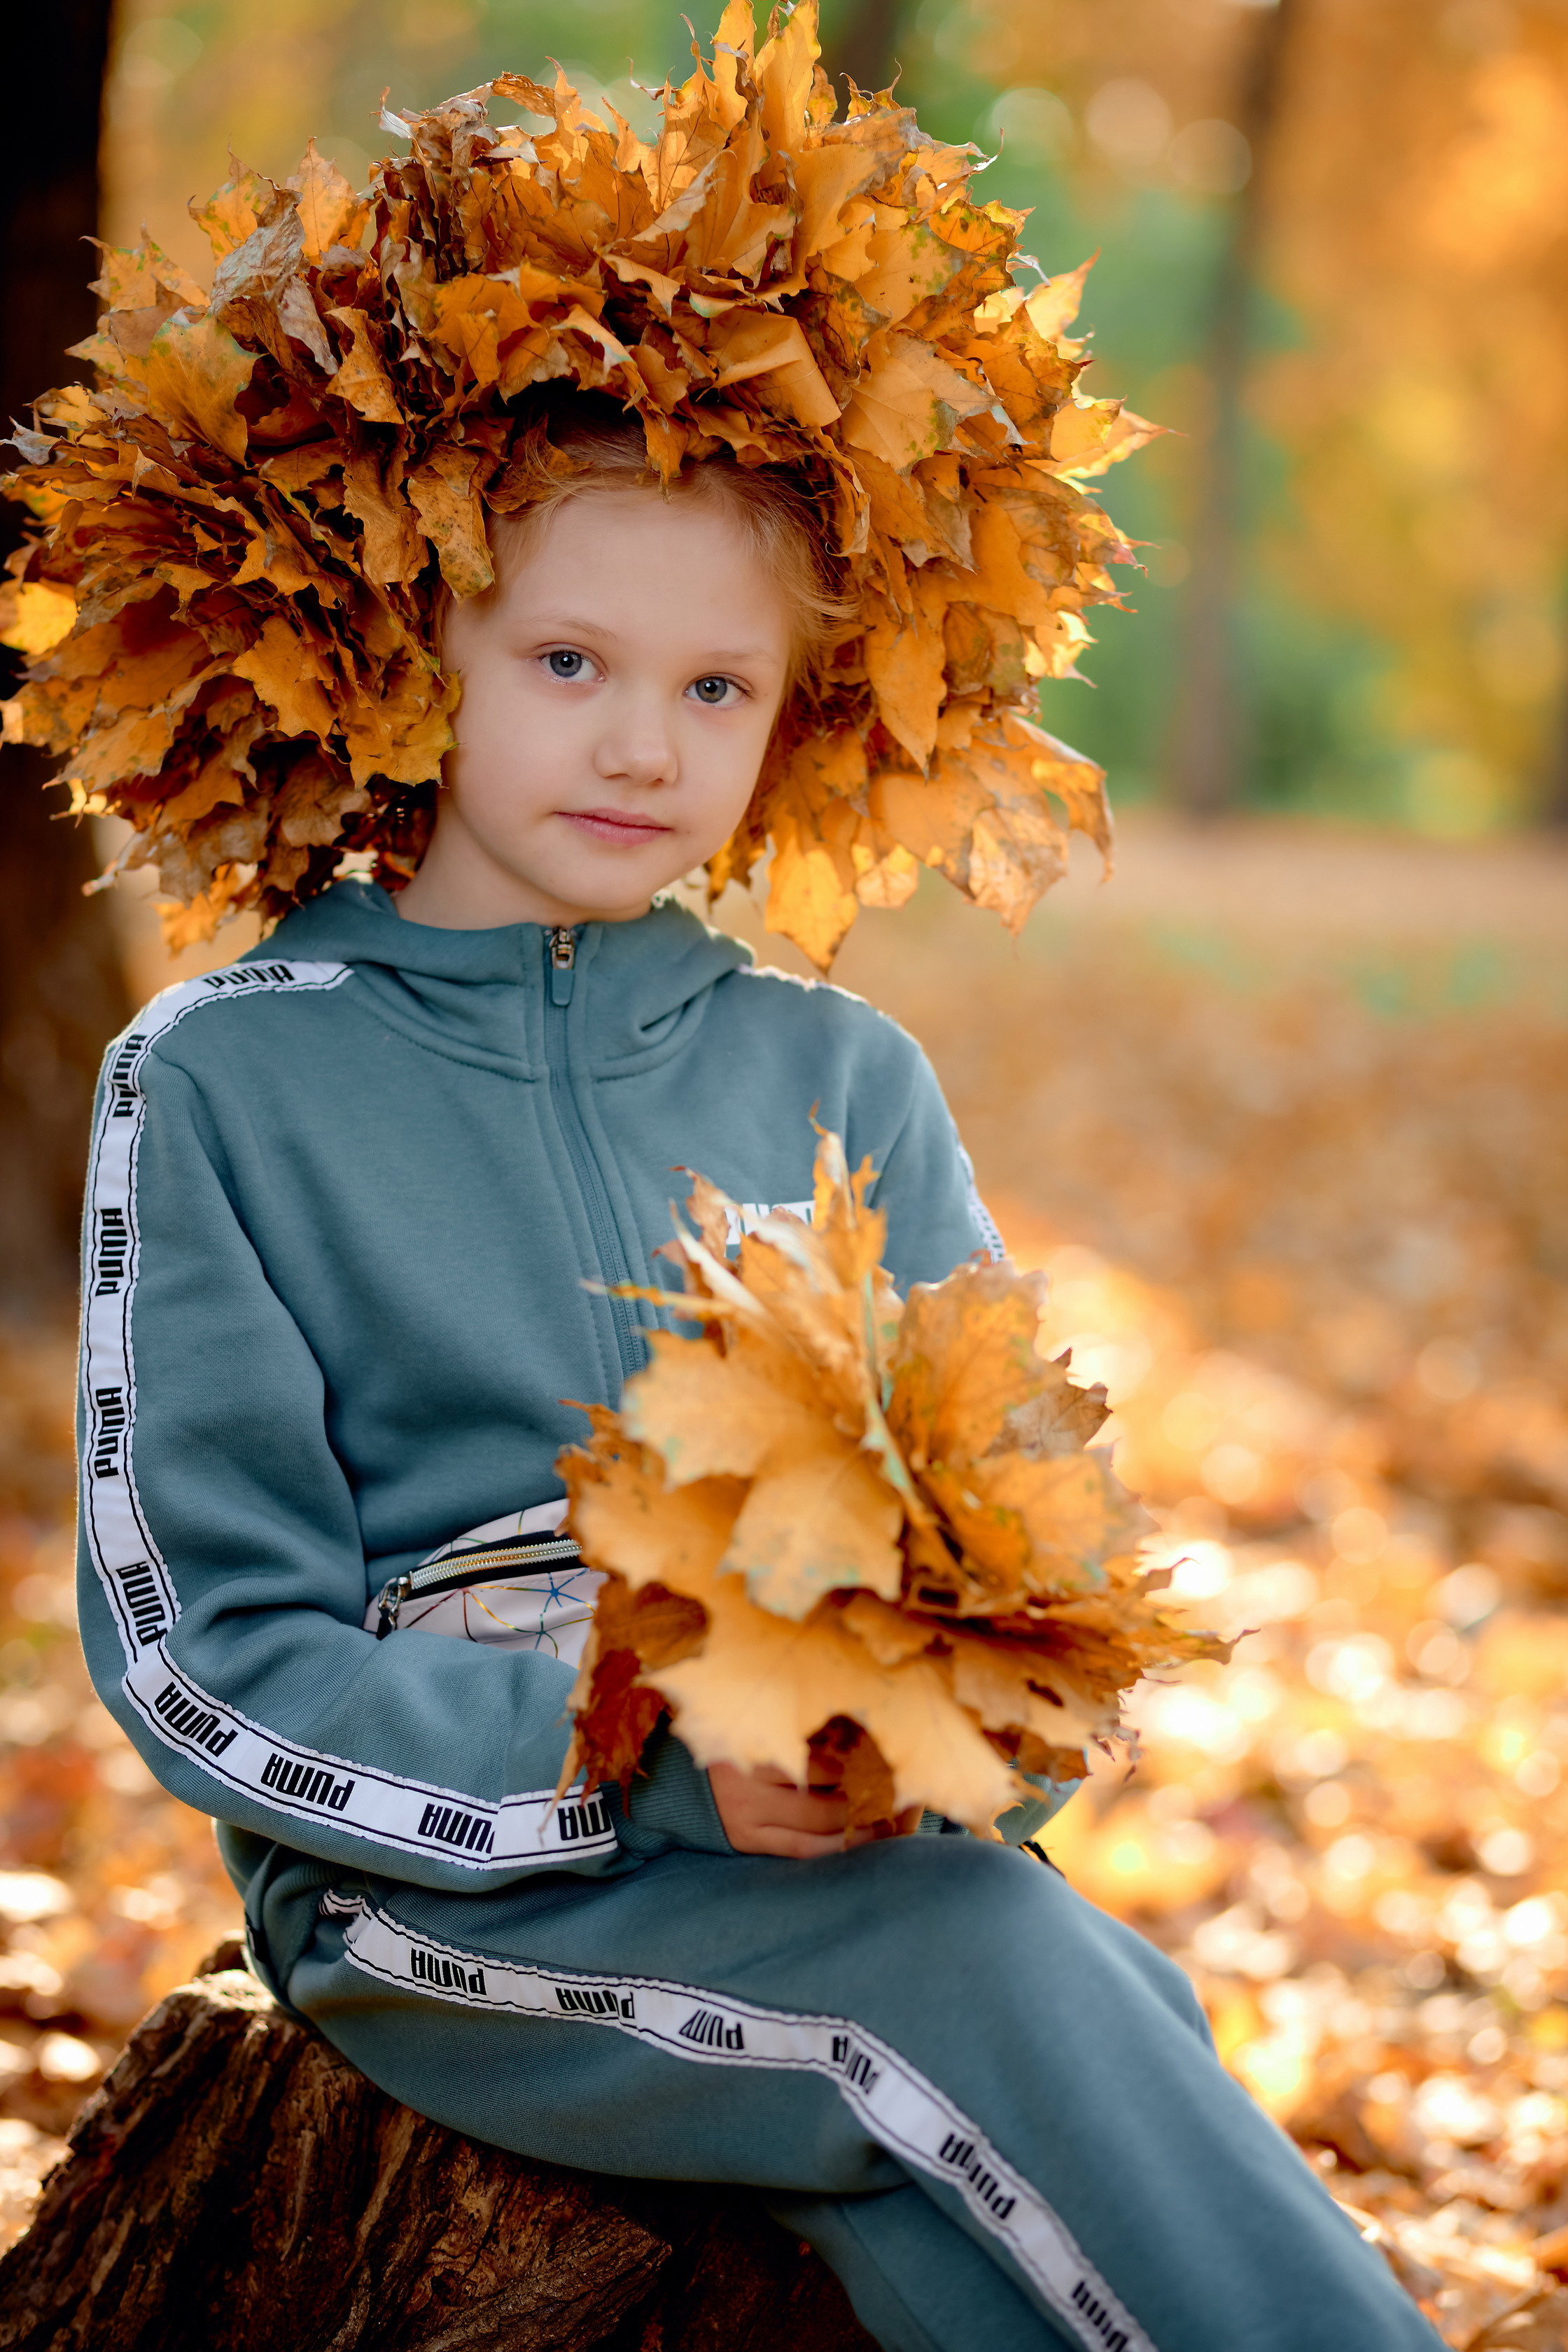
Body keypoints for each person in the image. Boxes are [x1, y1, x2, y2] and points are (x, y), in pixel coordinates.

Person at [34, 22, 1439, 2348]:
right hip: (427, 1897)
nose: (637, 743)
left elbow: (1013, 1553)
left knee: (1049, 2032)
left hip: (848, 1864)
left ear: (802, 710)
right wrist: (636, 1746)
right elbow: (195, 1658)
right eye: (569, 657)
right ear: (414, 649)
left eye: (714, 688)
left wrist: (925, 1743)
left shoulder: (840, 1071)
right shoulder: (223, 1082)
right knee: (976, 2022)